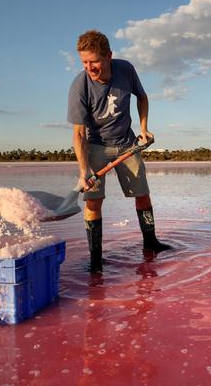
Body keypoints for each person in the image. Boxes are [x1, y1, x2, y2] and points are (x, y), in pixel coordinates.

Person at [67, 30, 170, 272]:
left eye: (94, 61)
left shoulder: (125, 70)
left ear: (109, 56)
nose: (90, 68)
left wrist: (144, 129)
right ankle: (95, 258)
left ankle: (151, 243)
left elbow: (142, 97)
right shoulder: (79, 86)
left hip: (127, 143)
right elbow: (79, 134)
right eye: (84, 62)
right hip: (95, 146)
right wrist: (84, 172)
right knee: (93, 201)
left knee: (142, 194)